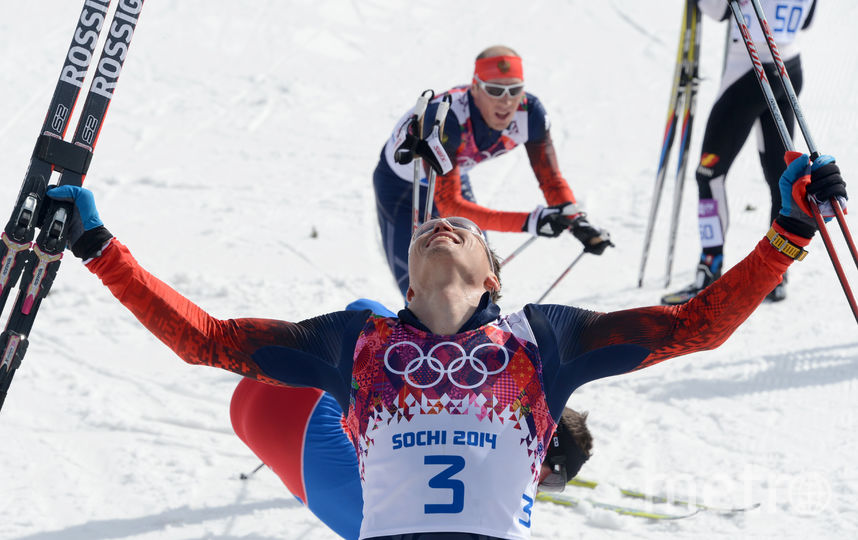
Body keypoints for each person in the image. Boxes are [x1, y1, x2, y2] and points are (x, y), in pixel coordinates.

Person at [48, 152, 844, 539]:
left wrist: (789, 232)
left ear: (493, 273)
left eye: (461, 227)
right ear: (408, 280)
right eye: (430, 227)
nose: (441, 223)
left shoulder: (544, 340)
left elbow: (693, 328)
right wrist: (96, 245)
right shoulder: (356, 342)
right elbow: (208, 342)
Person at [374, 45, 612, 297]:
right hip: (401, 189)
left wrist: (575, 220)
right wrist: (530, 222)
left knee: (479, 277)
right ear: (475, 88)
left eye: (515, 90)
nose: (507, 101)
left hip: (450, 177)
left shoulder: (529, 113)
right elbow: (449, 206)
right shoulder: (447, 119)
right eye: (495, 90)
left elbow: (550, 179)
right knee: (421, 290)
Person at [230, 378, 593, 540]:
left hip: (270, 385)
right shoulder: (498, 468)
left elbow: (361, 304)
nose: (542, 487)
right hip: (265, 424)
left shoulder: (484, 385)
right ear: (545, 446)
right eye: (552, 478)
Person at [662, 0, 817, 305]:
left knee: (709, 174)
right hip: (789, 70)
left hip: (748, 75)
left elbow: (716, 9)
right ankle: (777, 272)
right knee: (780, 177)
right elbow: (807, 20)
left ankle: (710, 266)